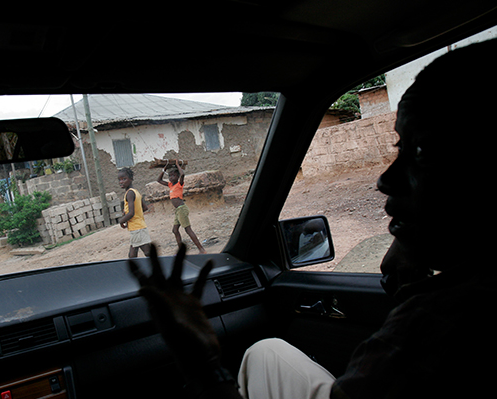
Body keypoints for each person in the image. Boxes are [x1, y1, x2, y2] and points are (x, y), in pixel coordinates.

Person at [128, 39, 497, 399]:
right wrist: (415, 249)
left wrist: (204, 366)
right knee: (264, 351)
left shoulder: (437, 324)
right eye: (401, 147)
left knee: (262, 353)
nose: (385, 180)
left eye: (423, 152)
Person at [157, 160, 206, 254]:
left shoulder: (180, 184)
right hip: (178, 210)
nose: (171, 177)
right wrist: (164, 170)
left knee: (188, 229)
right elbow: (158, 180)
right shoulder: (170, 185)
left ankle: (201, 249)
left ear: (177, 176)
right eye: (170, 176)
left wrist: (177, 165)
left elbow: (182, 174)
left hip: (182, 209)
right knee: (175, 230)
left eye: (173, 175)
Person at [118, 167, 152, 258]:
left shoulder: (129, 193)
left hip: (137, 228)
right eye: (120, 180)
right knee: (133, 253)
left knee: (148, 252)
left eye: (124, 179)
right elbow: (144, 208)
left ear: (131, 179)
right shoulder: (136, 192)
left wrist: (121, 221)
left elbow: (131, 213)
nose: (121, 182)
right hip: (137, 226)